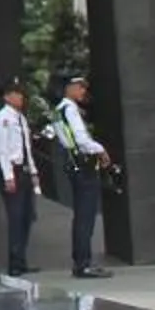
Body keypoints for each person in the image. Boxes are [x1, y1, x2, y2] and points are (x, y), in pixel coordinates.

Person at [57, 75, 112, 278]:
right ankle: (83, 263)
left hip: (73, 163)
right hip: (83, 164)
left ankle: (81, 261)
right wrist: (100, 150)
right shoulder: (70, 109)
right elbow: (81, 139)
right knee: (85, 216)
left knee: (82, 215)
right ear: (69, 88)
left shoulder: (59, 110)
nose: (83, 92)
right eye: (79, 87)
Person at [0, 79, 38, 278]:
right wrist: (8, 176)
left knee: (27, 216)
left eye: (21, 94)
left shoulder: (21, 118)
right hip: (12, 169)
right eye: (16, 94)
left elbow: (26, 147)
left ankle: (21, 259)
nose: (21, 97)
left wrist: (33, 172)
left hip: (24, 169)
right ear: (7, 96)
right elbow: (2, 150)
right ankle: (14, 262)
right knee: (16, 216)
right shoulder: (2, 118)